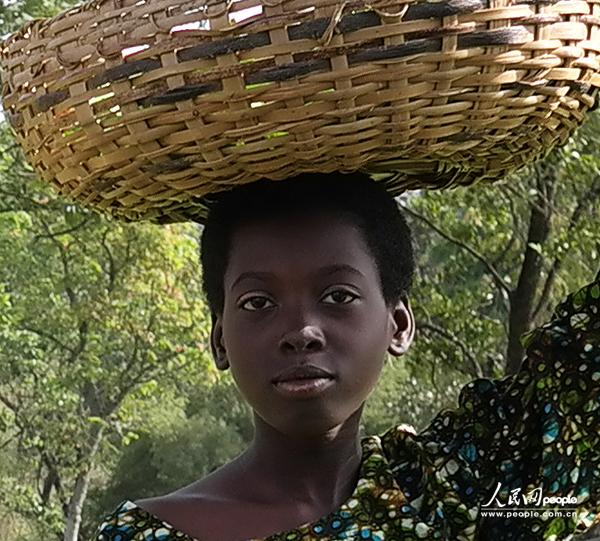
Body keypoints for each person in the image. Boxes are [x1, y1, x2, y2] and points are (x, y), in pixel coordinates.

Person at [93, 172, 599, 541]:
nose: (301, 332)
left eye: (338, 296)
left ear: (397, 325)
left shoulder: (464, 491)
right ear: (220, 340)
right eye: (258, 303)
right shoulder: (143, 534)